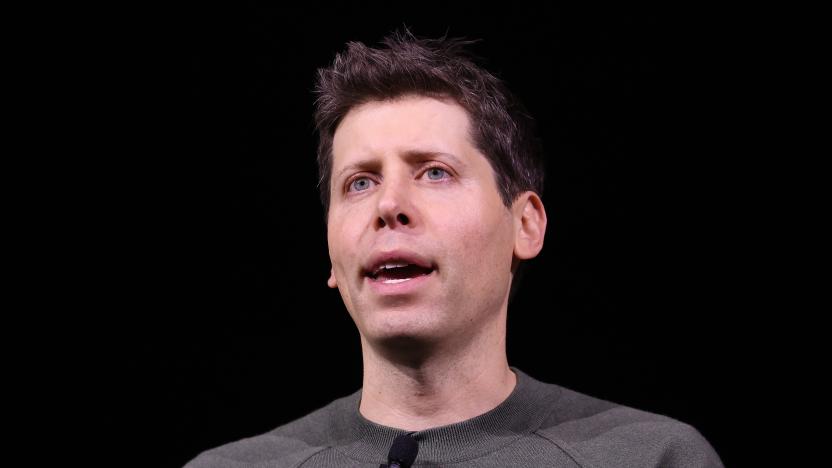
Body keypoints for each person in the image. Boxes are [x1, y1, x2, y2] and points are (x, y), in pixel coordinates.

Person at [184, 27, 724, 468]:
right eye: (360, 182)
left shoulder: (653, 458)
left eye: (435, 173)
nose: (388, 205)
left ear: (526, 225)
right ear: (330, 252)